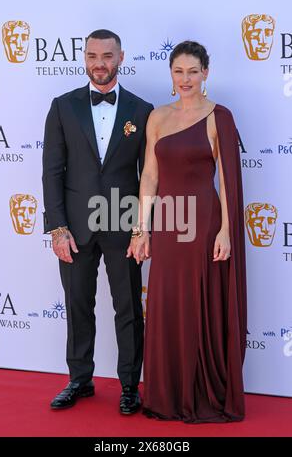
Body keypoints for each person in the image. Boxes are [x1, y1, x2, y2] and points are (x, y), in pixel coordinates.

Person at [127, 41, 247, 423]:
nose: (185, 79)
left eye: (193, 71)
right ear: (171, 75)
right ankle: (166, 393)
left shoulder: (219, 117)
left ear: (206, 73)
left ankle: (200, 393)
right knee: (166, 303)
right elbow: (150, 174)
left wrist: (227, 230)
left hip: (205, 223)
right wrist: (141, 229)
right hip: (168, 223)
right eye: (179, 72)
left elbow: (227, 181)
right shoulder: (158, 117)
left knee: (199, 303)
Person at [42, 29, 153, 414]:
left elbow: (149, 177)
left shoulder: (142, 110)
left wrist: (141, 228)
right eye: (92, 56)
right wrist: (57, 227)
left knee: (128, 308)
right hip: (74, 227)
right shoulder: (62, 106)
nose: (99, 63)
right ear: (84, 58)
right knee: (77, 305)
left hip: (123, 225)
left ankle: (129, 385)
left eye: (107, 56)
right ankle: (79, 379)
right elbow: (52, 171)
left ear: (120, 57)